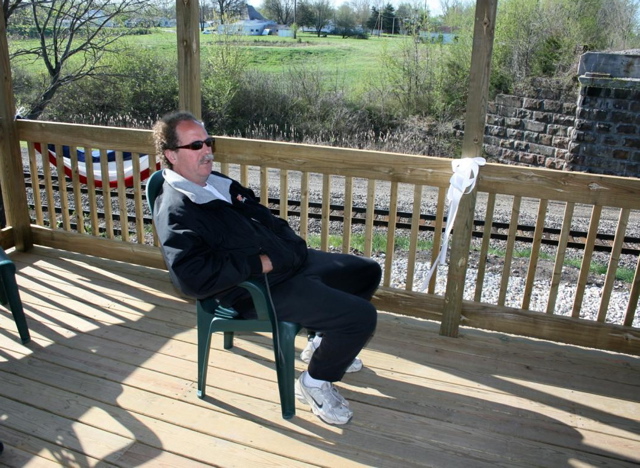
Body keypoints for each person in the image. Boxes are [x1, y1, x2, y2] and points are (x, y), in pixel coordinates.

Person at [151, 111, 381, 425]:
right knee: (360, 317)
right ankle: (314, 382)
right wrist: (256, 263)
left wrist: (286, 242)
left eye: (208, 142)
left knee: (366, 271)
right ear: (171, 155)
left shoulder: (217, 183)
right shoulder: (177, 208)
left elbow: (262, 218)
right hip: (254, 289)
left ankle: (323, 344)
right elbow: (190, 278)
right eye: (195, 146)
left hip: (287, 261)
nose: (207, 150)